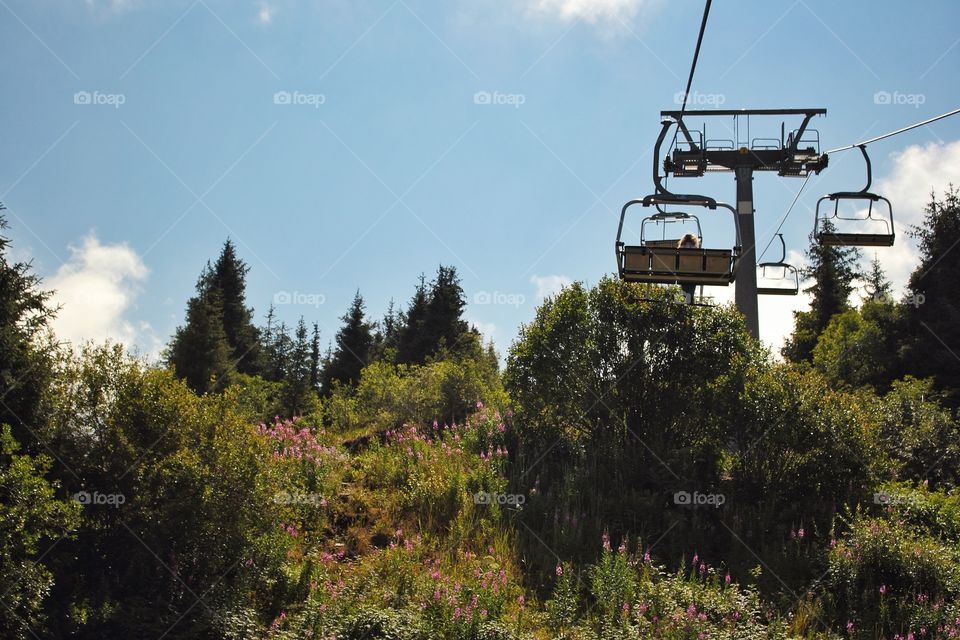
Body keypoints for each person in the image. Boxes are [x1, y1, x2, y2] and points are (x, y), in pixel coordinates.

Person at [677, 234, 699, 303]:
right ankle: (690, 296)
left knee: (684, 285)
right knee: (692, 284)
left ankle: (687, 297)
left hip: (682, 271)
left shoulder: (681, 248)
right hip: (693, 272)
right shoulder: (695, 248)